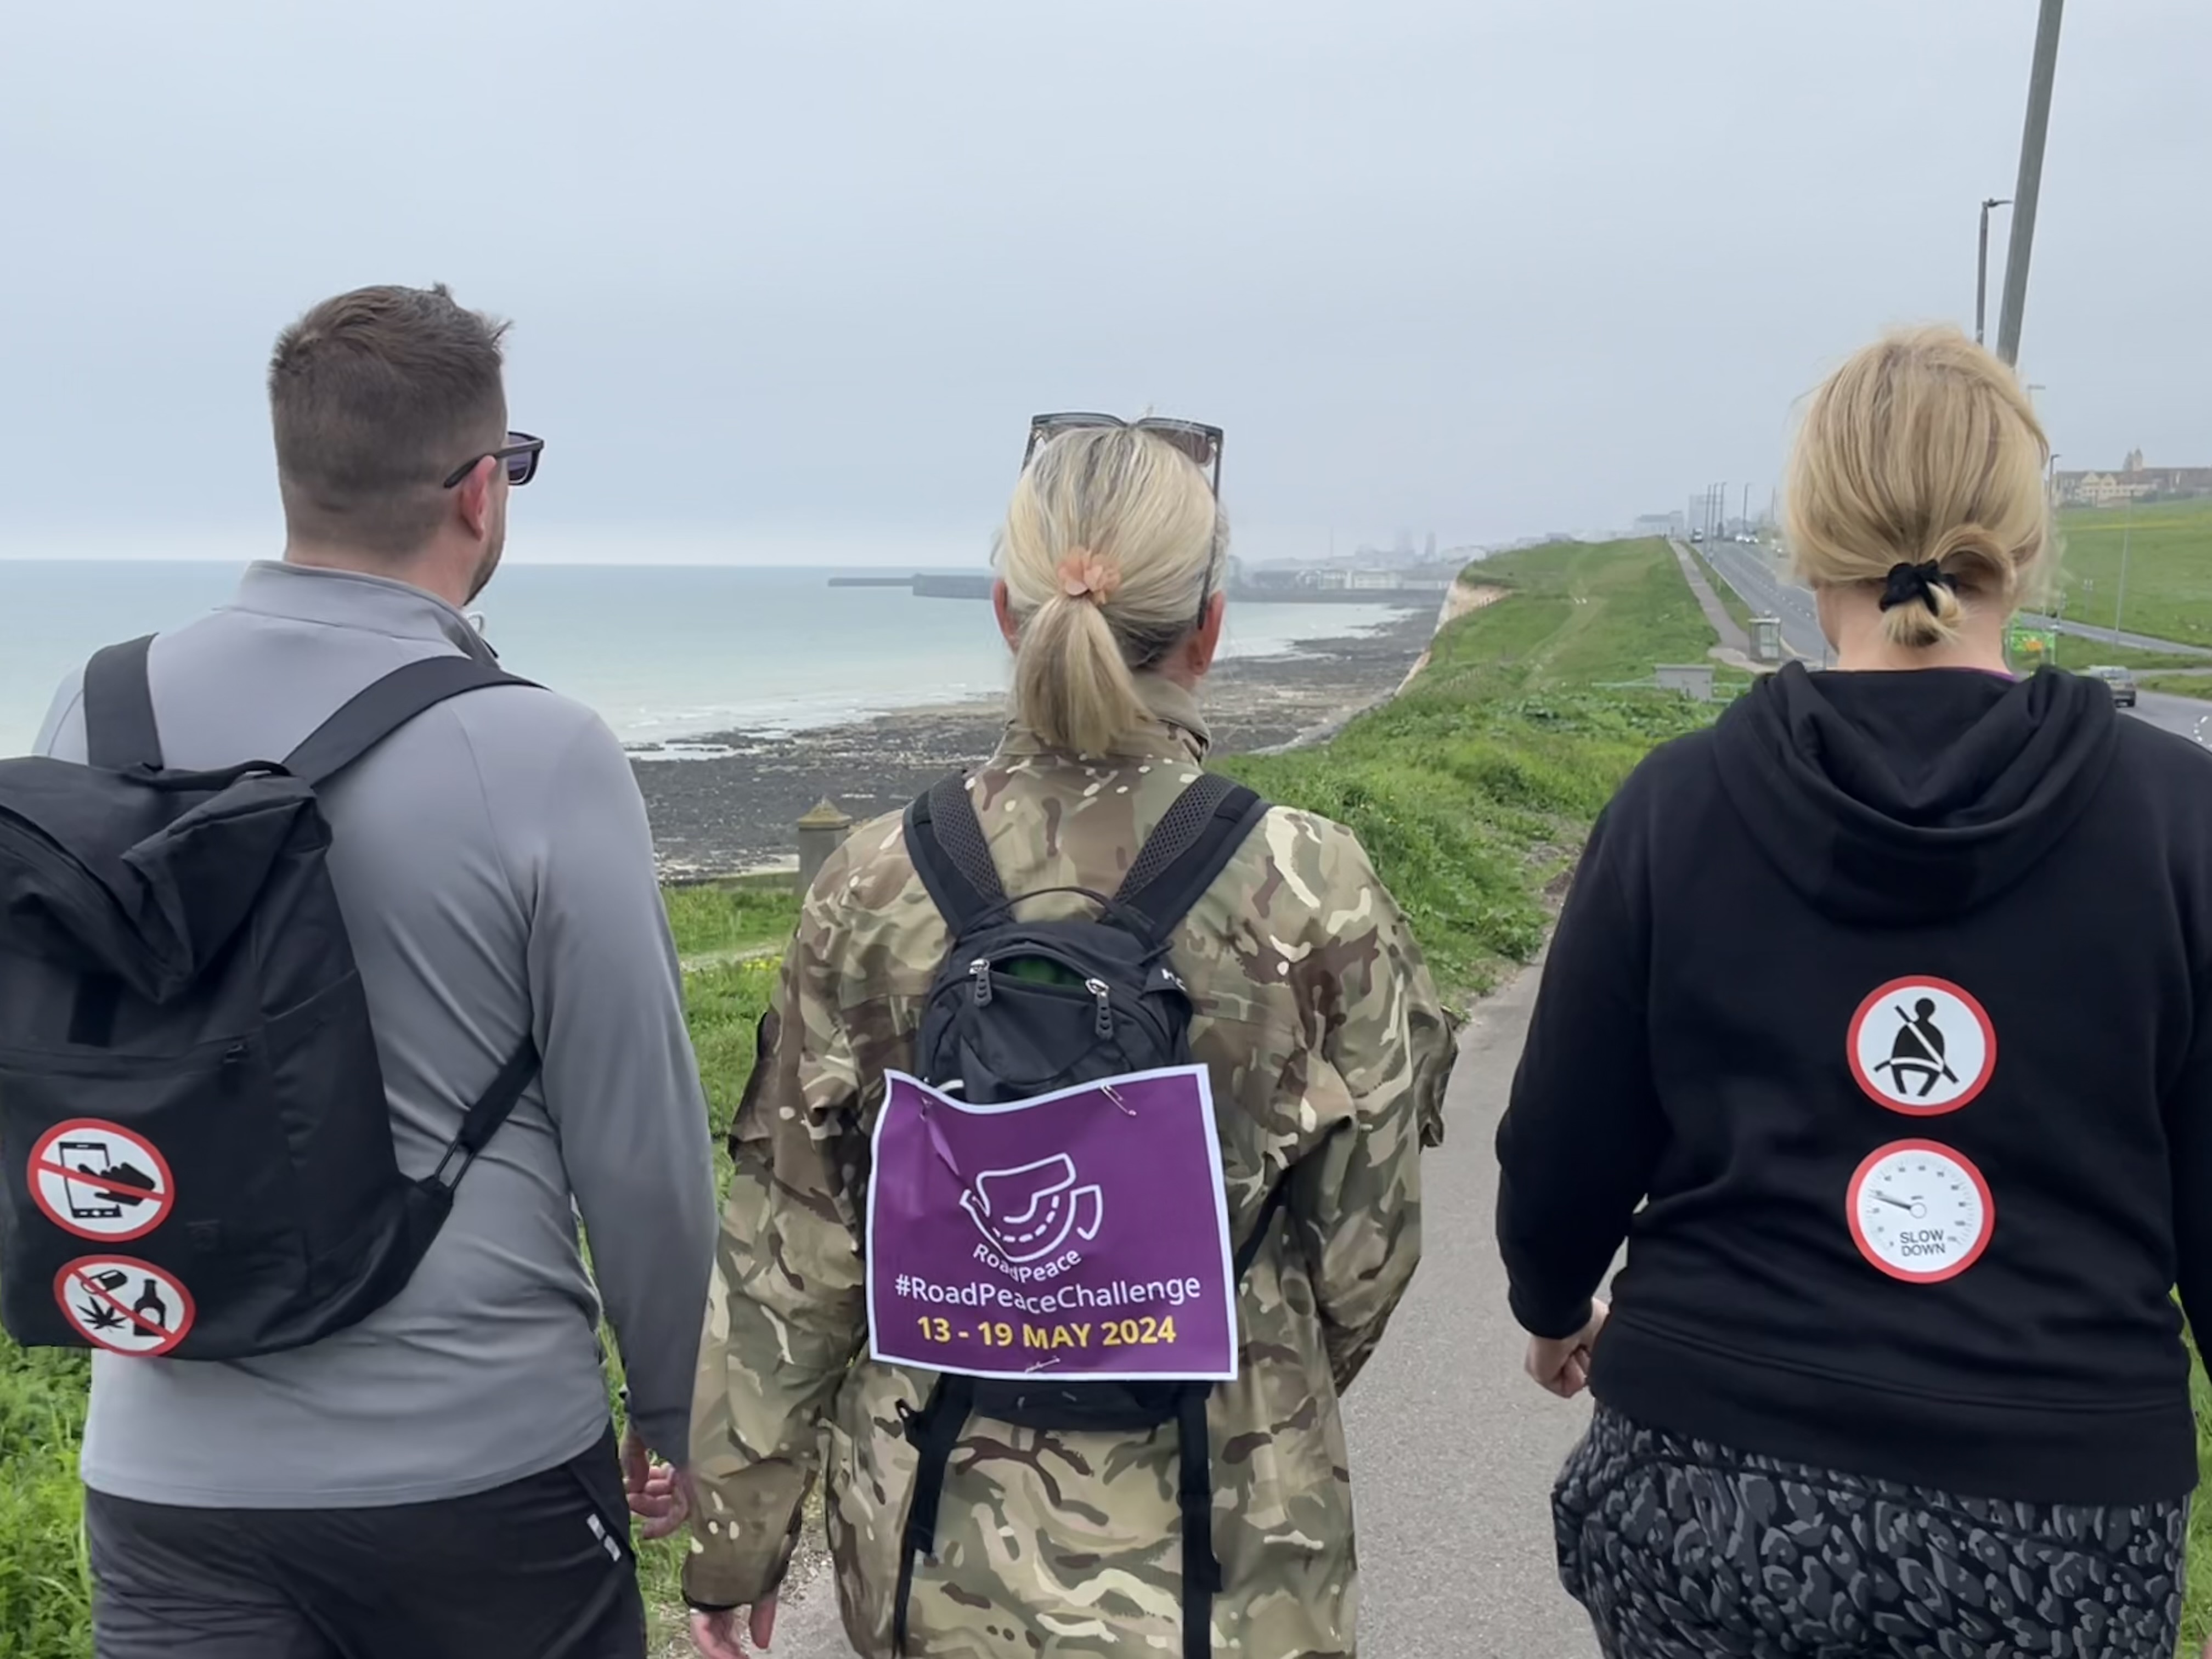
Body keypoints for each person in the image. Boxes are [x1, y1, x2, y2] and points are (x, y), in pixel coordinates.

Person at [684, 418, 1455, 1657]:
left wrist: (737, 1543)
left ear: (1005, 609)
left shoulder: (875, 884)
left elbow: (793, 1249)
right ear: (1209, 629)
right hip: (1234, 1548)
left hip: (936, 1539)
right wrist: (1265, 1377)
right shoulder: (1312, 883)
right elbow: (1368, 1247)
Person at [1495, 325, 2209, 1659]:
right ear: (2024, 537)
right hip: (2063, 1520)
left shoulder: (1679, 806)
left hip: (1709, 1482)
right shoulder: (2178, 825)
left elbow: (1564, 1135)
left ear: (1806, 540)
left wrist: (1553, 1308)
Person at [35, 284, 716, 1659]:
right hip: (481, 1468)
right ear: (480, 490)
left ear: (296, 473)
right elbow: (638, 1144)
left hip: (165, 1460)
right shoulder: (542, 753)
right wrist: (674, 1416)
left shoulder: (92, 711)